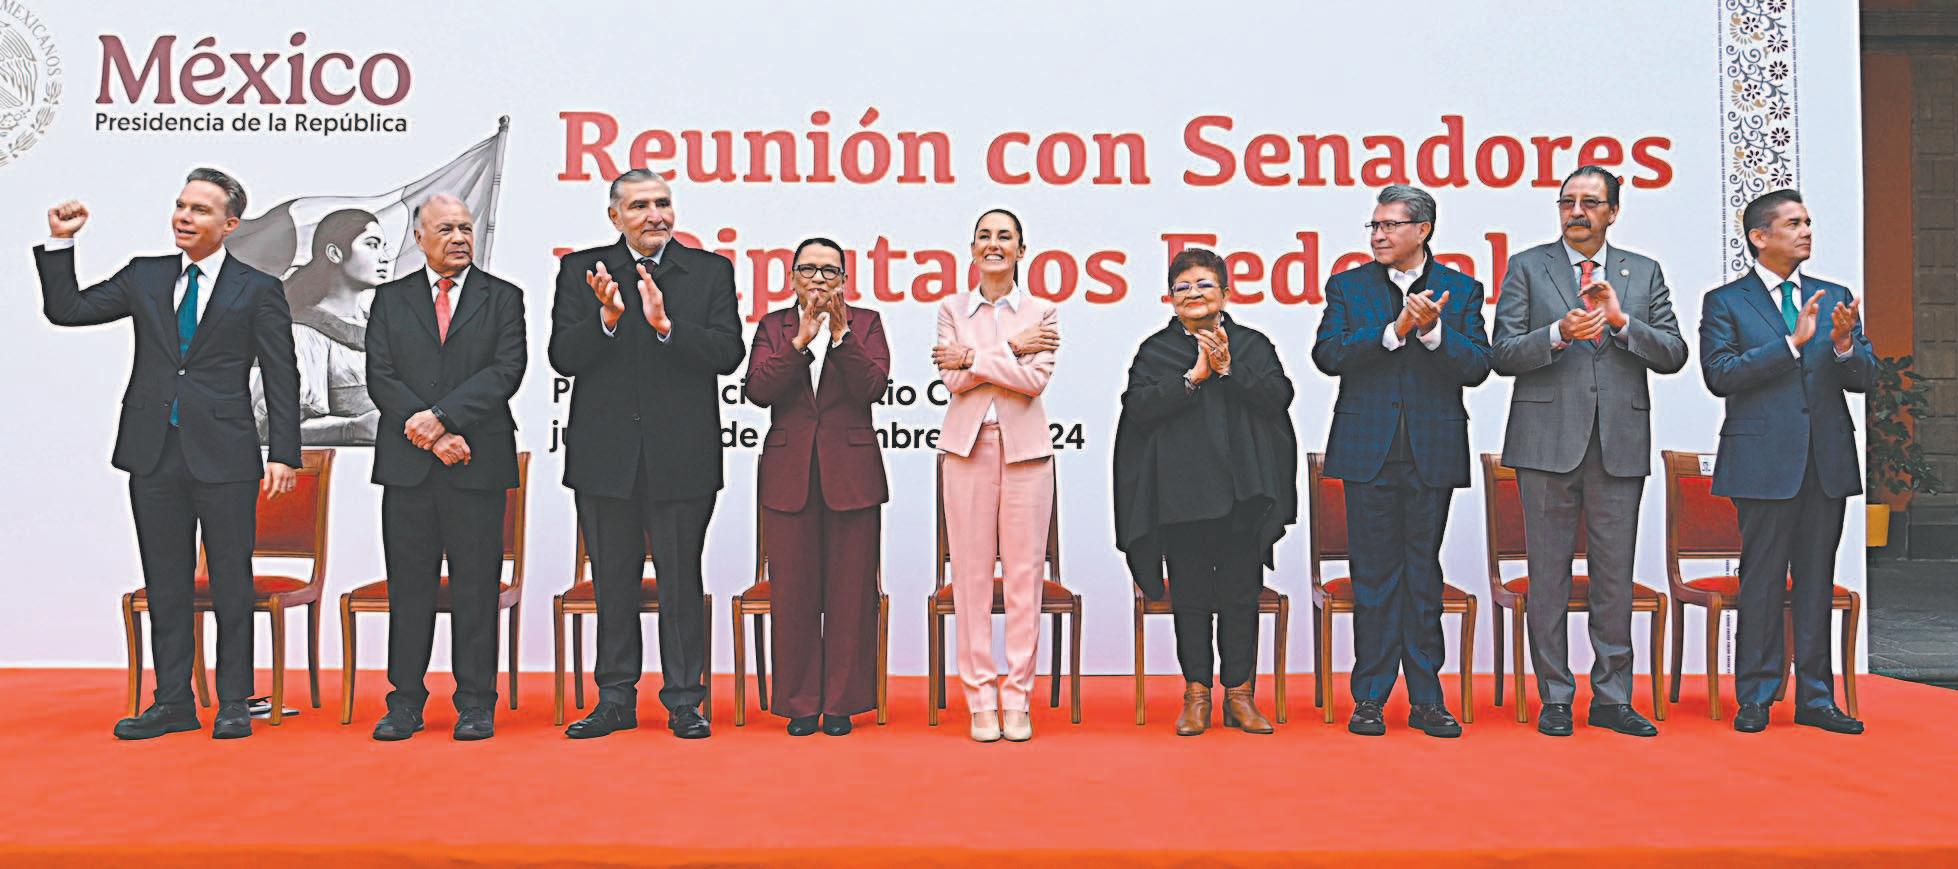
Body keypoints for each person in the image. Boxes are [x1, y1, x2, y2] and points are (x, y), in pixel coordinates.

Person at [37, 168, 301, 740]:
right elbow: (68, 310)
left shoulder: (257, 288)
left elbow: (282, 373)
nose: (184, 216)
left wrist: (284, 452)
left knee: (231, 581)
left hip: (225, 454)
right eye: (181, 205)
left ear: (230, 225)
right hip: (153, 451)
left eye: (200, 210)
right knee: (166, 582)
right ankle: (174, 702)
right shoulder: (146, 274)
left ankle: (234, 701)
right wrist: (61, 243)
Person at [1491, 166, 1688, 737]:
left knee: (1614, 577)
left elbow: (1673, 353)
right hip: (1544, 443)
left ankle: (1612, 697)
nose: (1576, 212)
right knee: (1548, 576)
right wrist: (1558, 334)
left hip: (1618, 444)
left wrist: (1623, 324)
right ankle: (1555, 696)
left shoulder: (1643, 272)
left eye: (1590, 202)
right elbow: (1501, 353)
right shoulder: (1528, 266)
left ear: (1613, 212)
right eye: (1567, 202)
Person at [549, 169, 744, 739]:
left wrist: (666, 326)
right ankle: (614, 699)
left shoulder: (708, 271)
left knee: (681, 582)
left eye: (663, 203)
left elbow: (728, 353)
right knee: (613, 584)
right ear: (615, 216)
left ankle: (684, 700)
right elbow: (563, 356)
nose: (655, 215)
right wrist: (606, 320)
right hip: (604, 459)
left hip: (682, 459)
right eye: (639, 206)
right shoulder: (583, 271)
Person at [1311, 184, 1491, 738]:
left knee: (1422, 576)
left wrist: (1434, 331)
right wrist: (1394, 332)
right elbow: (1328, 354)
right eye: (1374, 225)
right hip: (1368, 452)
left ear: (1423, 230)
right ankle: (1369, 697)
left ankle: (1427, 698)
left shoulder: (1461, 289)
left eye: (1390, 225)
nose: (1378, 235)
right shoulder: (1348, 286)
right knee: (1373, 577)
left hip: (1430, 452)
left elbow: (1478, 365)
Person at [1699, 189, 1872, 735]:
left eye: (1808, 222)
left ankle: (1817, 698)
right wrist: (1791, 345)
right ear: (1759, 236)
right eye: (1793, 223)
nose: (1806, 231)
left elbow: (1865, 378)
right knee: (1763, 580)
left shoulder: (1834, 296)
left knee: (1816, 581)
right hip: (1762, 462)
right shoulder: (1725, 301)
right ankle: (1756, 695)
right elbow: (1720, 374)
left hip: (1825, 460)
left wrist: (1843, 345)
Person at [363, 194, 527, 741]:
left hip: (477, 464)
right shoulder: (390, 300)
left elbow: (505, 371)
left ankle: (476, 702)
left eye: (465, 228)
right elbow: (381, 375)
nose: (459, 238)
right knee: (409, 588)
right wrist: (431, 434)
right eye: (446, 229)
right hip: (409, 467)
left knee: (475, 589)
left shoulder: (503, 298)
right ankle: (404, 702)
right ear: (419, 238)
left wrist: (442, 419)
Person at [1114, 247, 1296, 736]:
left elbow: (1278, 397)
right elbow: (1138, 408)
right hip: (1180, 496)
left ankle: (1240, 694)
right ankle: (1196, 693)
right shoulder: (1156, 351)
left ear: (1225, 293)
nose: (1193, 293)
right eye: (1183, 287)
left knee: (1240, 597)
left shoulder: (1252, 344)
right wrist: (1192, 378)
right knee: (1190, 598)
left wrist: (1229, 369)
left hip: (1243, 496)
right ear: (1170, 298)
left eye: (1204, 284)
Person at [743, 238, 890, 736]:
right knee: (795, 595)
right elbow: (758, 389)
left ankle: (843, 703)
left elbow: (873, 387)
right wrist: (799, 345)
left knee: (851, 595)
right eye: (809, 269)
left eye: (830, 271)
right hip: (790, 476)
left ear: (845, 280)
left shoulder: (866, 324)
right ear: (791, 278)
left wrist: (842, 337)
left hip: (852, 476)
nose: (819, 279)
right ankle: (800, 703)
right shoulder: (774, 327)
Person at [930, 208, 1059, 743]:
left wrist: (976, 357)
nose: (994, 244)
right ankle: (981, 698)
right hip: (967, 450)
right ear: (971, 248)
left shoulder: (1042, 311)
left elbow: (1033, 383)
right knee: (971, 578)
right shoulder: (951, 308)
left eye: (1005, 236)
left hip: (1027, 453)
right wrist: (1009, 351)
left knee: (1025, 579)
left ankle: (1017, 697)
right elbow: (953, 380)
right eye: (984, 235)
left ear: (1021, 250)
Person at [280, 208, 392, 444]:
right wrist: (353, 428)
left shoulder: (384, 328)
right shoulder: (305, 332)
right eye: (372, 245)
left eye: (383, 247)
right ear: (334, 253)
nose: (384, 257)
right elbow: (284, 424)